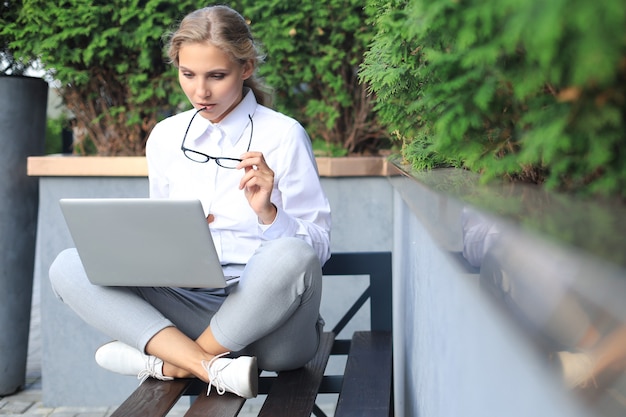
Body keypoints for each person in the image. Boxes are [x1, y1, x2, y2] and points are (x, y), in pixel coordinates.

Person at [48, 5, 331, 399]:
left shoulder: (284, 135)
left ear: (245, 68)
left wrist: (269, 213)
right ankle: (206, 365)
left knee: (291, 255)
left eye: (217, 76)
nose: (201, 91)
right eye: (188, 75)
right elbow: (161, 233)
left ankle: (167, 363)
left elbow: (318, 250)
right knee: (68, 265)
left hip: (273, 331)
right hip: (189, 307)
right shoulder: (166, 138)